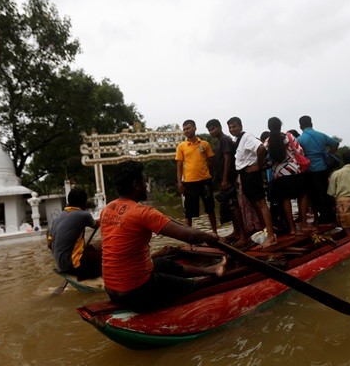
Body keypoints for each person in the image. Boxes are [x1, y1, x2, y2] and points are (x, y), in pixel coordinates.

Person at [101, 160, 227, 311]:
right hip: (135, 291)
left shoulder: (107, 209)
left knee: (162, 263)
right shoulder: (143, 213)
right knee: (192, 286)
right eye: (144, 180)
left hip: (111, 290)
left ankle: (211, 270)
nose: (146, 185)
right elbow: (190, 237)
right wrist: (209, 236)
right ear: (136, 184)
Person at [226, 116, 277, 248]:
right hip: (245, 174)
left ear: (241, 126)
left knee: (261, 204)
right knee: (255, 203)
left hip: (251, 174)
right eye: (230, 127)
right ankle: (266, 231)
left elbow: (261, 148)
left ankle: (271, 237)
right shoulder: (239, 140)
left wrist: (258, 166)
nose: (232, 129)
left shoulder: (247, 137)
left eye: (234, 126)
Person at [264, 117, 309, 235]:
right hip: (295, 171)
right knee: (302, 195)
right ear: (280, 125)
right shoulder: (289, 137)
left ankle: (292, 229)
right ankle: (304, 225)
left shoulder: (268, 142)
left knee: (285, 200)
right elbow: (300, 151)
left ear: (269, 127)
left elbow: (266, 159)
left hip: (279, 174)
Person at [205, 119, 245, 244]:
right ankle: (236, 232)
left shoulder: (225, 140)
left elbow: (228, 159)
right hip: (223, 178)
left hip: (228, 179)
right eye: (209, 130)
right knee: (229, 206)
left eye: (213, 128)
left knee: (234, 206)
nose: (211, 132)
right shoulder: (219, 142)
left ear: (219, 127)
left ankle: (243, 235)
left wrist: (225, 179)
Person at [47, 188, 101, 280]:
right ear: (83, 202)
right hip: (74, 266)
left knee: (97, 246)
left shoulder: (57, 218)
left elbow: (49, 245)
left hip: (61, 266)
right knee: (108, 253)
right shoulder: (83, 215)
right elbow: (96, 224)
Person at [176, 119, 218, 233]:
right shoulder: (181, 146)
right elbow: (179, 165)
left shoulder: (204, 144)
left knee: (210, 208)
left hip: (205, 181)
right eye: (184, 129)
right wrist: (179, 183)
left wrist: (203, 168)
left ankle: (215, 234)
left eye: (188, 128)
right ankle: (189, 241)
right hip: (189, 182)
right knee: (188, 212)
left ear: (194, 128)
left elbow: (211, 161)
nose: (186, 131)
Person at [297, 115, 339, 225]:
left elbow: (296, 154)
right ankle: (331, 215)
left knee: (315, 195)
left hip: (311, 171)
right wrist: (328, 154)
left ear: (301, 126)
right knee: (327, 192)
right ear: (311, 124)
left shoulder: (300, 139)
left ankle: (321, 217)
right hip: (325, 168)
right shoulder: (321, 135)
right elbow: (335, 143)